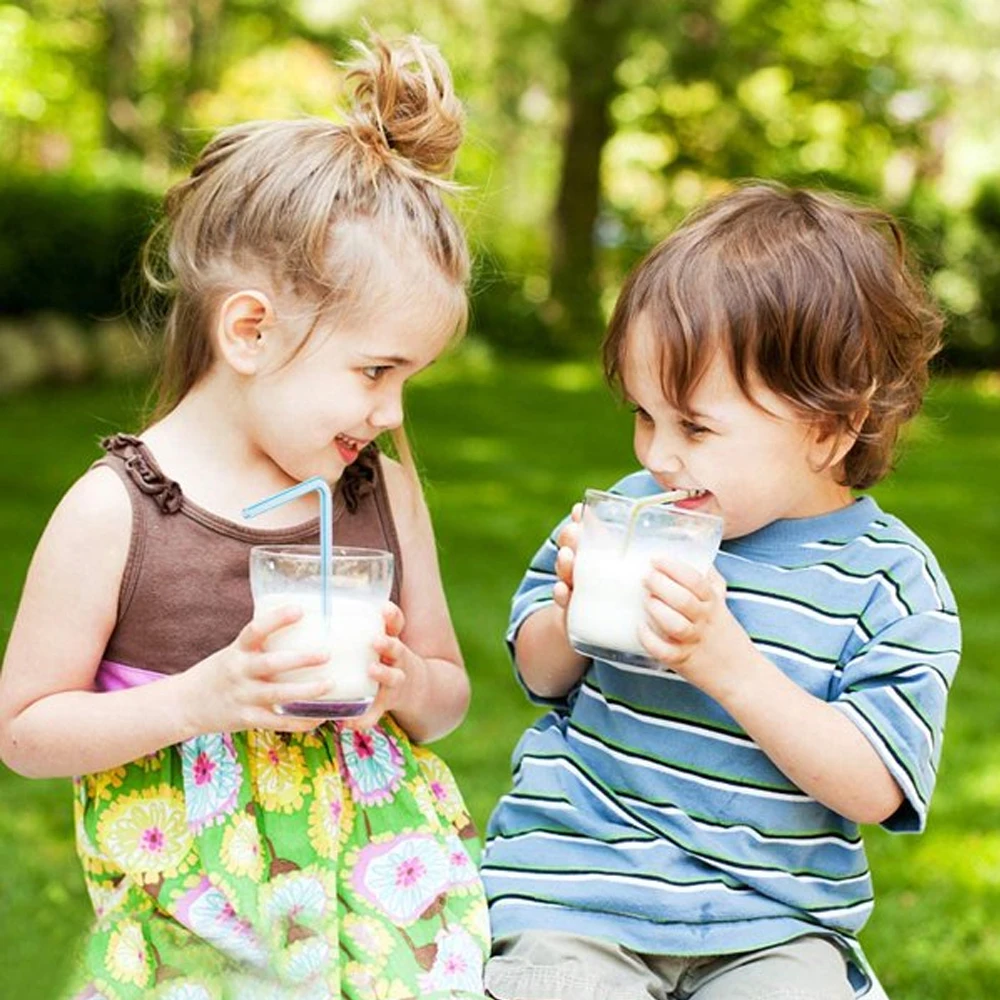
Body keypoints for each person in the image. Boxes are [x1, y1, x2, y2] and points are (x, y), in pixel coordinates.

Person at [0, 32, 488, 1000]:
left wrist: (399, 682)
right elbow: (24, 730)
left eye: (408, 379)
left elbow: (448, 699)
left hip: (388, 911)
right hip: (194, 923)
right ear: (252, 330)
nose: (391, 413)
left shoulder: (380, 490)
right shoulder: (118, 512)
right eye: (375, 371)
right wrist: (203, 699)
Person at [481, 183, 960, 1000]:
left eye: (695, 427)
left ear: (830, 427)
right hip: (579, 885)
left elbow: (876, 786)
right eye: (644, 415)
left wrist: (727, 664)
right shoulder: (632, 515)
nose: (660, 455)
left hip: (773, 925)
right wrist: (569, 609)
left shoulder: (890, 582)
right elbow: (538, 674)